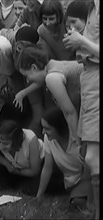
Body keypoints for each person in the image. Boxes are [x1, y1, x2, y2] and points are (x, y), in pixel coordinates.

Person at [63, 0, 99, 218]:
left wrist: (81, 40)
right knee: (90, 154)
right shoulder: (91, 7)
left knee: (93, 158)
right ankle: (93, 206)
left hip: (96, 78)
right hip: (89, 76)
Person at [37, 107, 92, 211]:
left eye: (47, 128)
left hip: (86, 179)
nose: (43, 131)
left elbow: (88, 171)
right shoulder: (48, 139)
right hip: (69, 183)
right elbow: (47, 167)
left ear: (59, 127)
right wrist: (38, 196)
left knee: (78, 200)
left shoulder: (78, 140)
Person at [0, 119, 44, 195]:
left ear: (16, 141)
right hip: (15, 168)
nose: (1, 146)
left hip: (35, 170)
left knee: (26, 190)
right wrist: (6, 164)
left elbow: (34, 171)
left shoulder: (31, 140)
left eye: (6, 144)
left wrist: (16, 171)